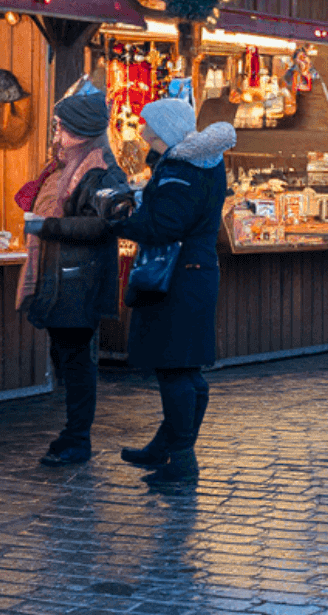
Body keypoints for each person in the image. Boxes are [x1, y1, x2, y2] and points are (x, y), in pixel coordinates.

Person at [110, 99, 234, 488]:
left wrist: (122, 220)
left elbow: (165, 224)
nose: (143, 131)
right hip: (194, 272)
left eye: (148, 125)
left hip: (177, 277)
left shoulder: (181, 169)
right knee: (184, 370)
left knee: (176, 369)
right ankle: (168, 445)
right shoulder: (200, 163)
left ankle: (181, 458)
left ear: (164, 129)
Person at [19, 90, 129, 467]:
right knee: (66, 357)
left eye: (61, 126)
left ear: (79, 129)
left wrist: (46, 226)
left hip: (79, 280)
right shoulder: (67, 164)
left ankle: (77, 438)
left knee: (78, 360)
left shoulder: (100, 170)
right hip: (62, 276)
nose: (56, 133)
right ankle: (73, 434)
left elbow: (105, 224)